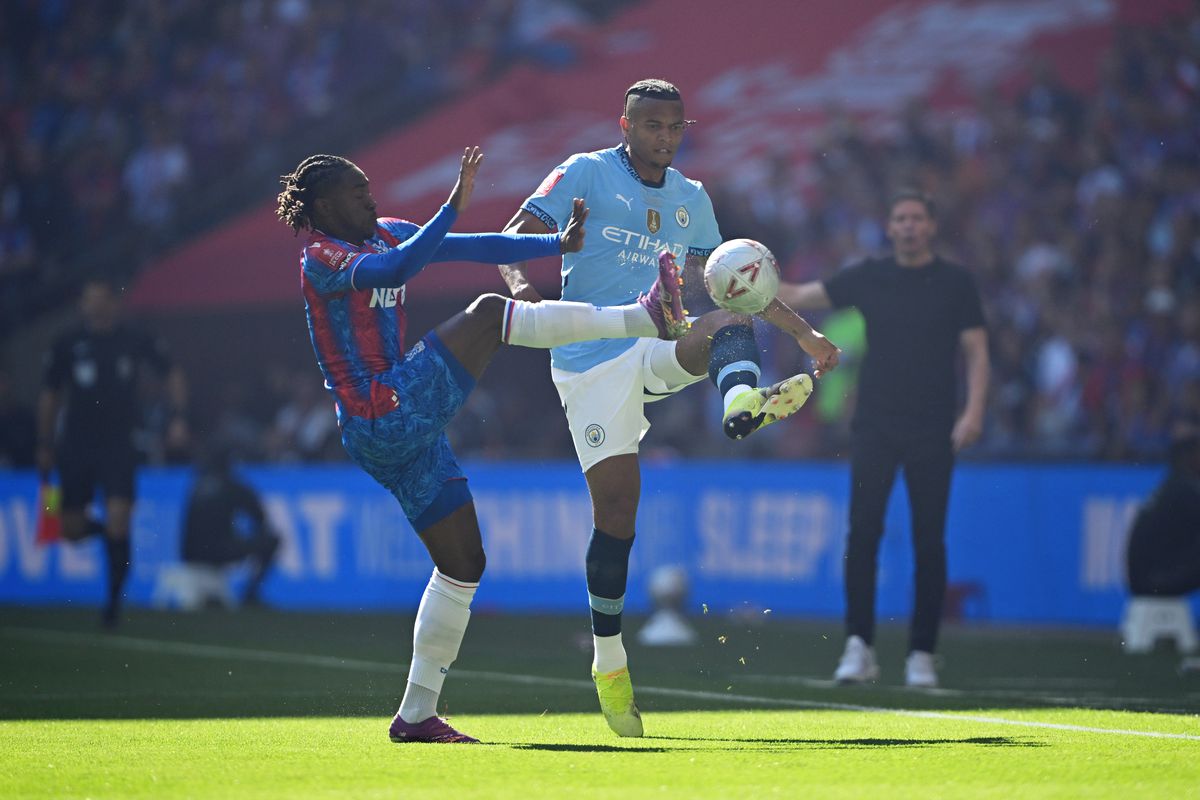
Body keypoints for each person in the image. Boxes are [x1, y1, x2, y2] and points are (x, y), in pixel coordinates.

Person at [276, 146, 697, 745]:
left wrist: (556, 246)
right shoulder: (322, 257)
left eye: (370, 189)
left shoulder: (383, 233)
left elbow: (473, 246)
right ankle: (643, 315)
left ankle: (417, 714)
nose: (372, 199)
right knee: (488, 315)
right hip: (380, 411)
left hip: (402, 424)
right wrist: (449, 204)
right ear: (324, 206)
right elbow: (395, 272)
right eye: (359, 192)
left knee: (463, 564)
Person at [496, 78, 841, 736]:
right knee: (618, 511)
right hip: (588, 358)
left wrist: (803, 332)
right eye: (651, 124)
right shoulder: (584, 173)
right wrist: (521, 290)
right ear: (624, 125)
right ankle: (608, 661)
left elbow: (735, 280)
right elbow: (517, 234)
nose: (664, 136)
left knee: (726, 309)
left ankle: (740, 403)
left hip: (656, 343)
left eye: (673, 126)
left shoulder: (692, 199)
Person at [777, 190, 990, 688]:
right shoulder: (869, 276)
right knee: (863, 533)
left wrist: (974, 410)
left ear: (931, 226)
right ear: (890, 228)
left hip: (934, 425)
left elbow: (977, 351)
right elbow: (804, 294)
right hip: (875, 423)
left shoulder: (956, 283)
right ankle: (859, 646)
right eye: (900, 219)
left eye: (917, 218)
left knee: (928, 540)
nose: (909, 226)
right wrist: (746, 279)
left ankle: (922, 652)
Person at [37, 276, 190, 627]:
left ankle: (113, 605)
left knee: (120, 517)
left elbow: (172, 372)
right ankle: (110, 542)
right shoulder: (66, 343)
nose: (96, 305)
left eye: (102, 298)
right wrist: (44, 442)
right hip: (73, 444)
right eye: (89, 298)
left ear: (113, 302)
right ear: (82, 304)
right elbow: (50, 394)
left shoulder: (134, 339)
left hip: (120, 443)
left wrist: (178, 417)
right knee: (65, 527)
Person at [180, 447, 281, 607]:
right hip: (218, 552)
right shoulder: (233, 486)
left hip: (189, 555)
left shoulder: (198, 484)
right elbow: (260, 517)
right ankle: (250, 594)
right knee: (272, 540)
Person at [1126, 425, 1200, 598]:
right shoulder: (1184, 490)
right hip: (1154, 581)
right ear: (1188, 457)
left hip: (1143, 579)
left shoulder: (1170, 486)